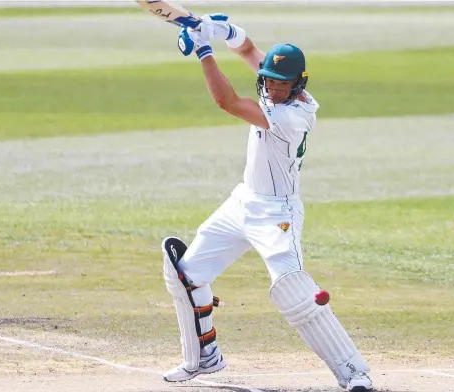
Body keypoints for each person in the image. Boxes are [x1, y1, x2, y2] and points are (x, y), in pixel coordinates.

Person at [160, 14, 374, 392]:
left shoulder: (292, 115)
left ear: (298, 85)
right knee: (187, 275)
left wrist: (204, 50)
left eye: (281, 85)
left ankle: (355, 372)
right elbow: (246, 49)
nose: (273, 90)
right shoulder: (275, 82)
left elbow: (225, 101)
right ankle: (203, 358)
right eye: (269, 82)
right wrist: (221, 30)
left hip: (278, 214)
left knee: (293, 290)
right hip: (243, 202)